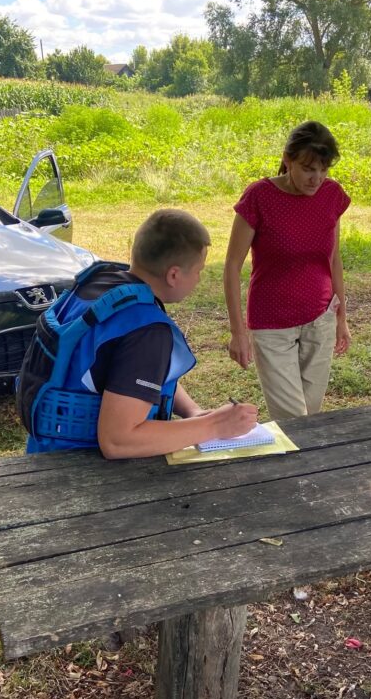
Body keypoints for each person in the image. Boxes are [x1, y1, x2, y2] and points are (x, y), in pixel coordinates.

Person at [18, 209, 257, 458]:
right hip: (80, 466)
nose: (198, 279)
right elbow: (119, 441)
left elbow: (134, 376)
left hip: (45, 449)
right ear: (174, 275)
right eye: (199, 271)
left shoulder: (99, 285)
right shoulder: (147, 331)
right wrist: (215, 425)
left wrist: (193, 412)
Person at [224, 120, 352, 421]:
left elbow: (334, 259)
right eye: (308, 169)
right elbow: (231, 267)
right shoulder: (259, 197)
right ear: (287, 159)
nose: (316, 178)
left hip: (320, 319)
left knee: (311, 417)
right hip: (272, 324)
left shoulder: (332, 195)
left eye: (323, 169)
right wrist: (238, 332)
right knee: (294, 420)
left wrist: (341, 317)